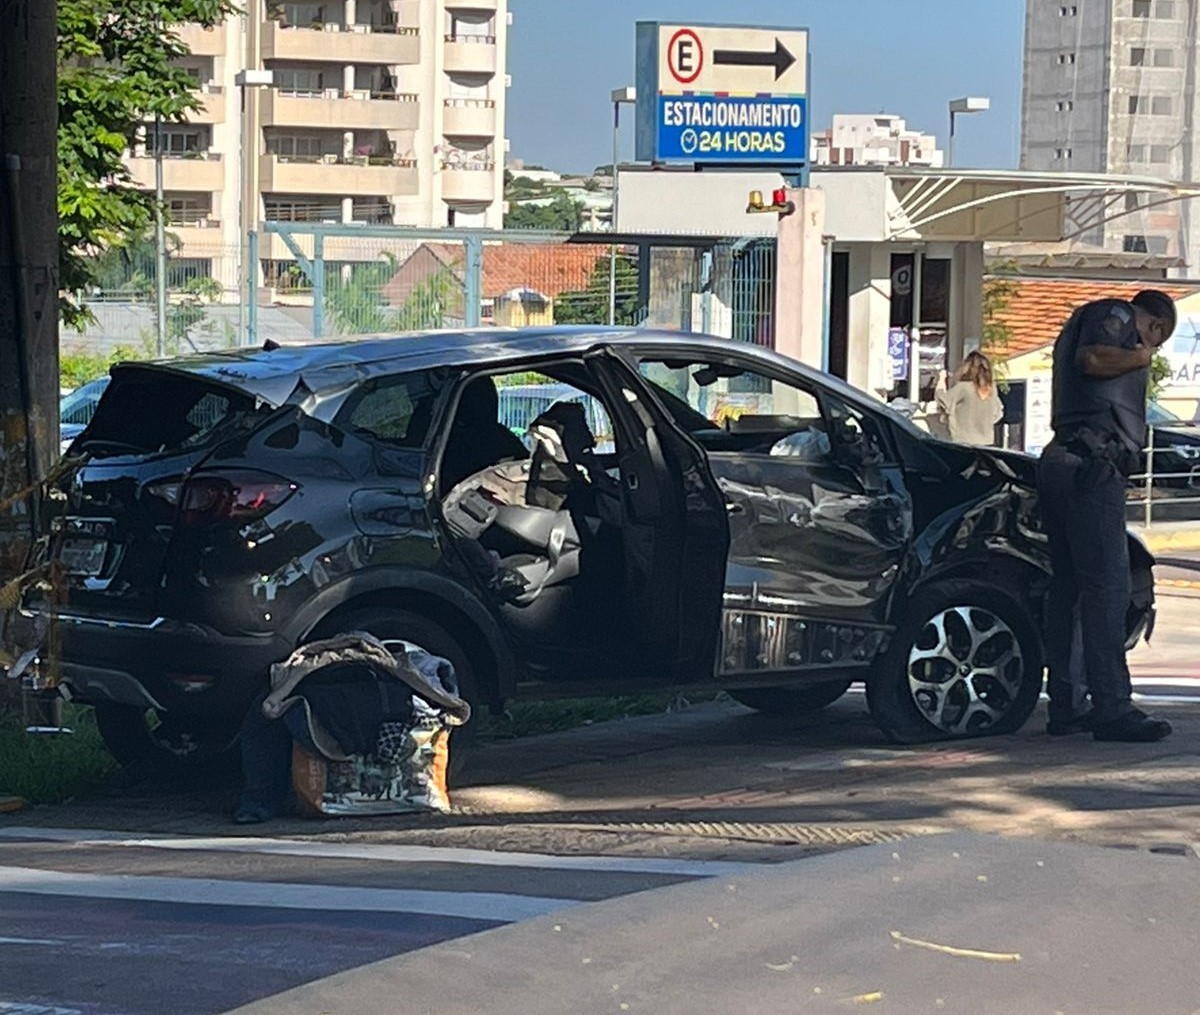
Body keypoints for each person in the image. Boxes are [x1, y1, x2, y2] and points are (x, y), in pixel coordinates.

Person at [1038, 290, 1176, 743]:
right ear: (1153, 324)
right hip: (1092, 466)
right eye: (1156, 339)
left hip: (1069, 461)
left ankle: (1068, 704)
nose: (1150, 349)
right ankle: (1112, 707)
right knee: (1106, 589)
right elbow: (1094, 359)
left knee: (1072, 589)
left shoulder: (1089, 318)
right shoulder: (1114, 316)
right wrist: (1141, 357)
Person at [936, 352, 1004, 446]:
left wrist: (941, 379)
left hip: (964, 442)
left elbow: (943, 401)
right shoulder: (991, 390)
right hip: (987, 442)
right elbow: (998, 413)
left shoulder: (964, 387)